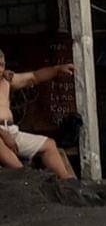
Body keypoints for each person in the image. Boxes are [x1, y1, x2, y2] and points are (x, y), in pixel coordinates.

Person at [0, 48, 76, 180]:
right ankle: (25, 177)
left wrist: (57, 69)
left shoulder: (7, 80)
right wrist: (4, 134)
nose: (0, 68)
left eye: (2, 64)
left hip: (11, 130)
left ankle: (67, 182)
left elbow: (34, 77)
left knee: (49, 145)